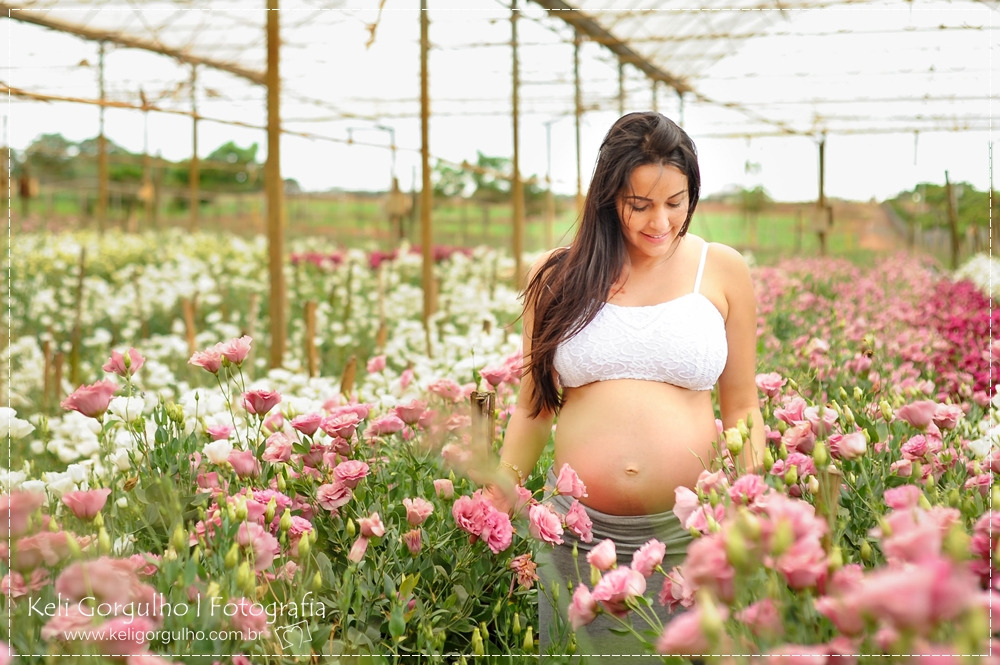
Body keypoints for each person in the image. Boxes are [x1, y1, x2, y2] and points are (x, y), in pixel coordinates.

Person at [491, 111, 766, 661]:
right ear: (607, 197)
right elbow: (533, 409)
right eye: (639, 205)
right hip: (574, 538)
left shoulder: (722, 269)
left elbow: (742, 408)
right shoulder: (558, 275)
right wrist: (496, 501)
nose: (660, 222)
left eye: (675, 202)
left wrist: (750, 509)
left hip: (692, 538)